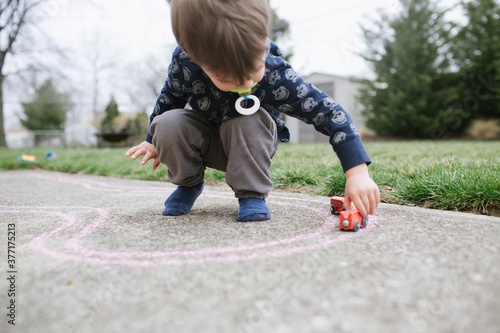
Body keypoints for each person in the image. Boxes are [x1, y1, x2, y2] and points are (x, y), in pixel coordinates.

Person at [125, 0, 380, 222]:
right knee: (166, 123)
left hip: (252, 145)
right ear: (195, 56)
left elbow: (329, 113)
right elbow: (169, 98)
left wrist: (357, 172)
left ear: (262, 38)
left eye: (253, 68)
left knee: (244, 118)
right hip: (209, 141)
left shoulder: (275, 74)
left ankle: (251, 194)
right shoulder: (185, 63)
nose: (246, 84)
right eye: (229, 78)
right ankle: (189, 184)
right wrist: (151, 141)